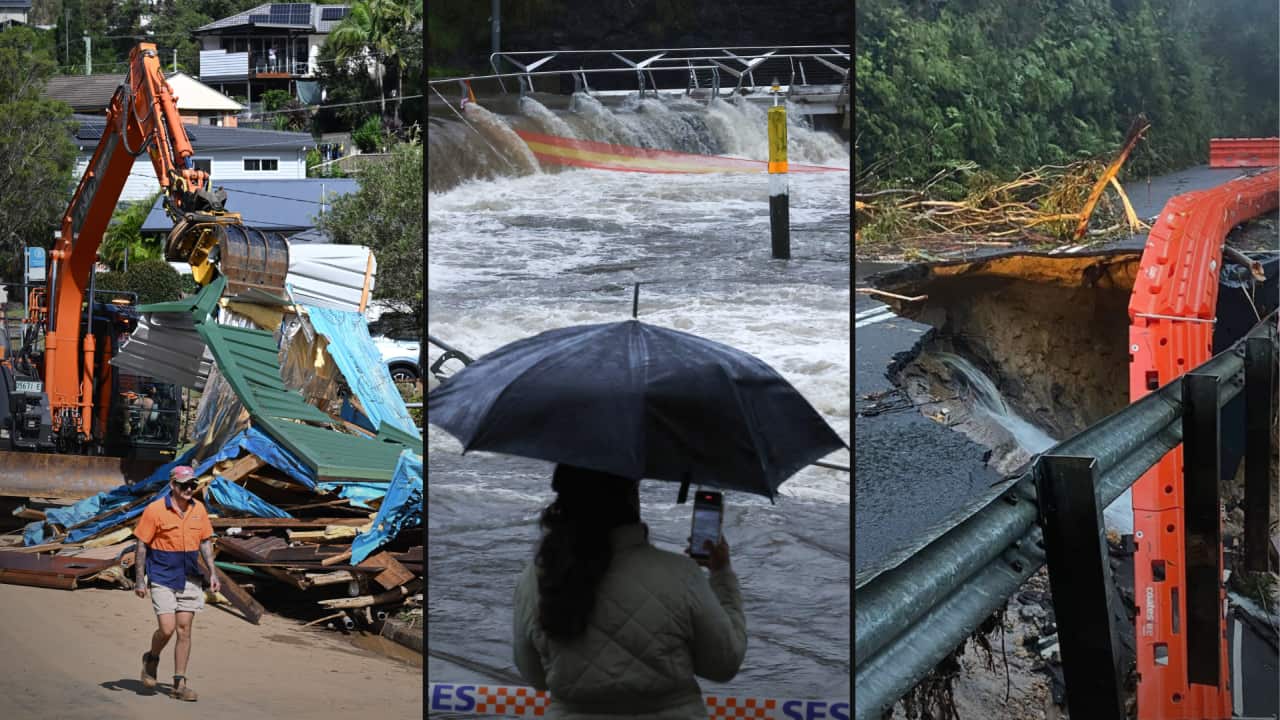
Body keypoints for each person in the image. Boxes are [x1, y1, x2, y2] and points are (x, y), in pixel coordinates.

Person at [513, 465, 746, 718]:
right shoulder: (681, 574)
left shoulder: (536, 579)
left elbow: (535, 676)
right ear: (631, 498)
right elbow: (724, 664)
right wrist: (721, 574)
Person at [133, 465, 220, 701]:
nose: (189, 489)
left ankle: (178, 684)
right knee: (167, 628)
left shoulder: (199, 510)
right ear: (173, 485)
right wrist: (140, 579)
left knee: (184, 630)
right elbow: (141, 544)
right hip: (162, 575)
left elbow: (205, 542)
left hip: (190, 576)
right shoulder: (155, 510)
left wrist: (212, 572)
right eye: (184, 485)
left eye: (193, 485)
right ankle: (151, 657)